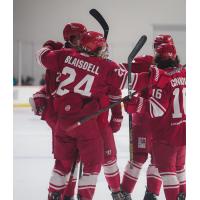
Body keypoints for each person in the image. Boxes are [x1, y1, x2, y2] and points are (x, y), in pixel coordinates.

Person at [36, 30, 153, 200]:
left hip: (62, 124)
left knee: (62, 164)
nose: (105, 50)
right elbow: (132, 81)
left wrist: (48, 47)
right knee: (92, 165)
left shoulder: (65, 55)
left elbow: (42, 57)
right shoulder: (106, 66)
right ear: (95, 47)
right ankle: (85, 196)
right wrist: (156, 75)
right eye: (102, 47)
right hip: (87, 125)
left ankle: (54, 195)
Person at [30, 22, 87, 200]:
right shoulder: (67, 57)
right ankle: (55, 195)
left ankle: (67, 195)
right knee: (64, 161)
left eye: (82, 37)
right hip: (62, 116)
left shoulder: (61, 55)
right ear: (69, 38)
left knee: (74, 160)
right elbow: (53, 86)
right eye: (76, 37)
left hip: (75, 116)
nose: (80, 41)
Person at [124, 43, 186, 200]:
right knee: (178, 167)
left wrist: (134, 103)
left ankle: (135, 192)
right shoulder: (185, 73)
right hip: (183, 131)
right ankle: (180, 195)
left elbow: (156, 108)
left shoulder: (163, 78)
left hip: (165, 133)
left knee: (167, 171)